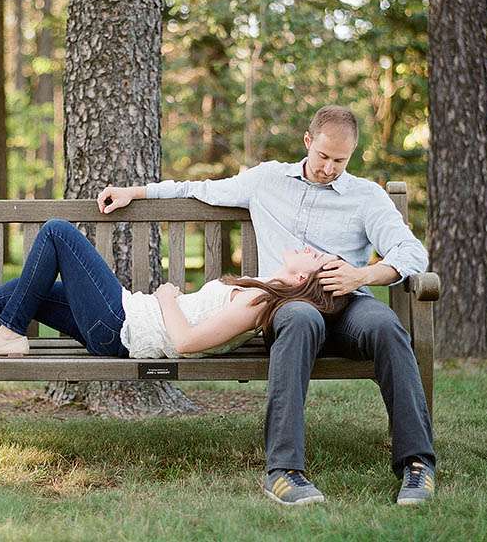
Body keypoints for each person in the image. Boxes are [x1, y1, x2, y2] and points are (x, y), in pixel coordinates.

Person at [95, 104, 436, 507]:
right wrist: (136, 192)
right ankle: (284, 471)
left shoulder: (365, 196)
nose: (329, 168)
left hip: (348, 301)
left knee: (386, 326)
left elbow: (411, 253)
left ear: (352, 154)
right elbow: (200, 189)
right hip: (291, 302)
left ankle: (416, 465)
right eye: (323, 156)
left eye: (340, 161)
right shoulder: (267, 180)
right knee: (298, 319)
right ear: (308, 142)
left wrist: (362, 276)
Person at [0, 219, 339, 366]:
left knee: (57, 233)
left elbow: (189, 344)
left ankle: (7, 333)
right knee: (30, 290)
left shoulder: (259, 303)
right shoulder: (260, 291)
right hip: (127, 319)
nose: (306, 249)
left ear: (301, 281)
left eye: (315, 258)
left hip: (124, 328)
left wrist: (169, 299)